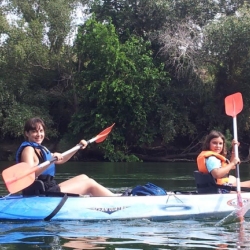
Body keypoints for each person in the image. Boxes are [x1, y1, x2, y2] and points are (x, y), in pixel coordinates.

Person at [16, 117, 116, 196]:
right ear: (27, 133)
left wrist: (78, 147)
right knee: (89, 183)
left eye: (41, 131)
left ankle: (110, 196)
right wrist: (51, 160)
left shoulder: (41, 149)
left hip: (49, 187)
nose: (39, 134)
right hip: (40, 192)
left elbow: (62, 159)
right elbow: (29, 174)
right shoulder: (28, 149)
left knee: (83, 177)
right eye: (34, 131)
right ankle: (116, 200)